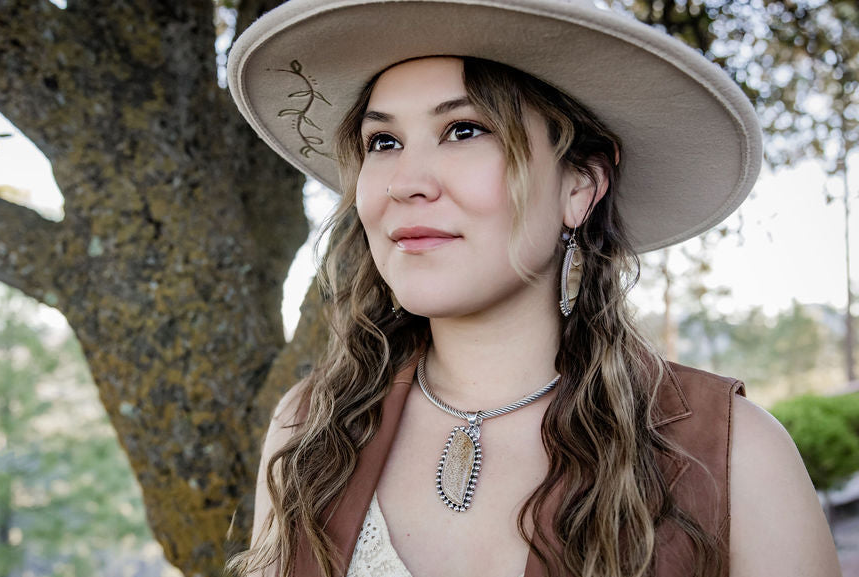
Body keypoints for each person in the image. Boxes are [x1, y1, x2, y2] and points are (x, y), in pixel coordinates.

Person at [226, 1, 841, 576]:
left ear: (580, 187)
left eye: (465, 130)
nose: (404, 182)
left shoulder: (735, 455)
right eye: (383, 142)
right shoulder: (309, 429)